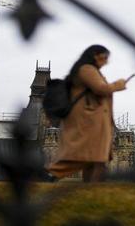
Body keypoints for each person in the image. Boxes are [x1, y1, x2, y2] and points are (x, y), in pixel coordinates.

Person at [46, 45, 129, 182]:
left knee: (94, 156)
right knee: (90, 154)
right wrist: (119, 85)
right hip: (89, 119)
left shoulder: (88, 69)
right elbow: (100, 89)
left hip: (91, 118)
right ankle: (53, 174)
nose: (106, 61)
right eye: (104, 57)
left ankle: (90, 186)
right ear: (95, 55)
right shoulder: (87, 69)